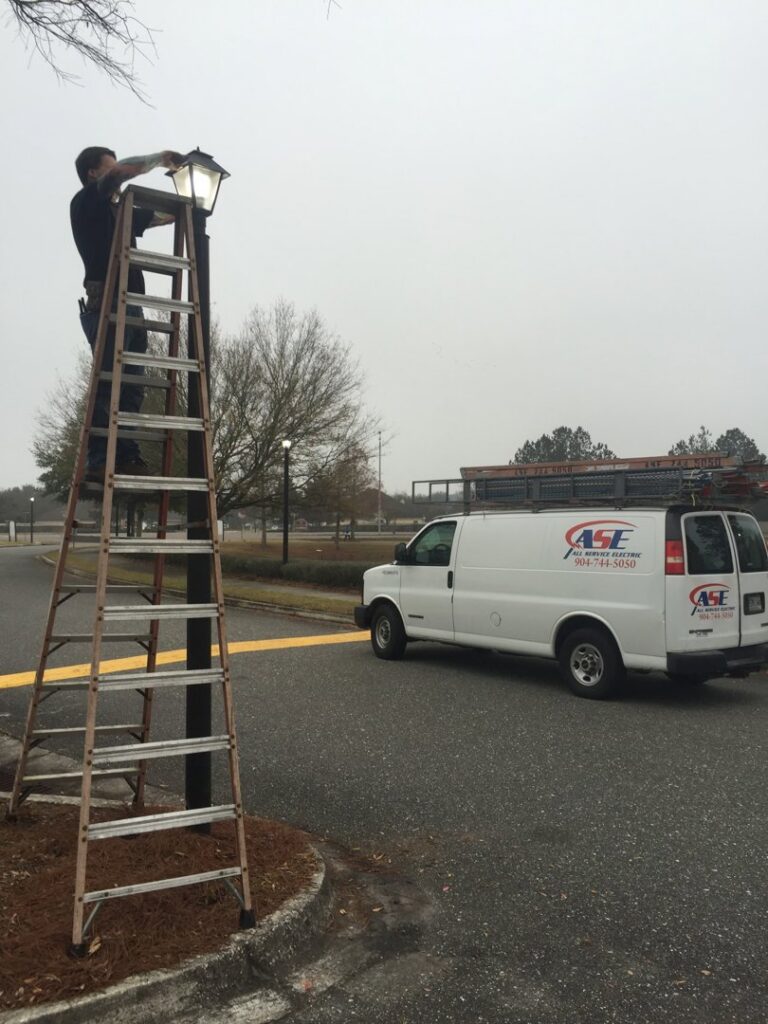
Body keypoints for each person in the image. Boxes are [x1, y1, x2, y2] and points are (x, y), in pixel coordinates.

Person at [70, 147, 183, 482]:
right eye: (109, 166)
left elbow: (166, 217)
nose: (117, 170)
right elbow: (122, 174)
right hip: (105, 301)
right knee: (109, 385)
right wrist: (160, 158)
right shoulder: (86, 202)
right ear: (94, 173)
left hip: (131, 303)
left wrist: (190, 198)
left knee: (132, 387)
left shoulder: (122, 212)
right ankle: (98, 459)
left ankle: (125, 453)